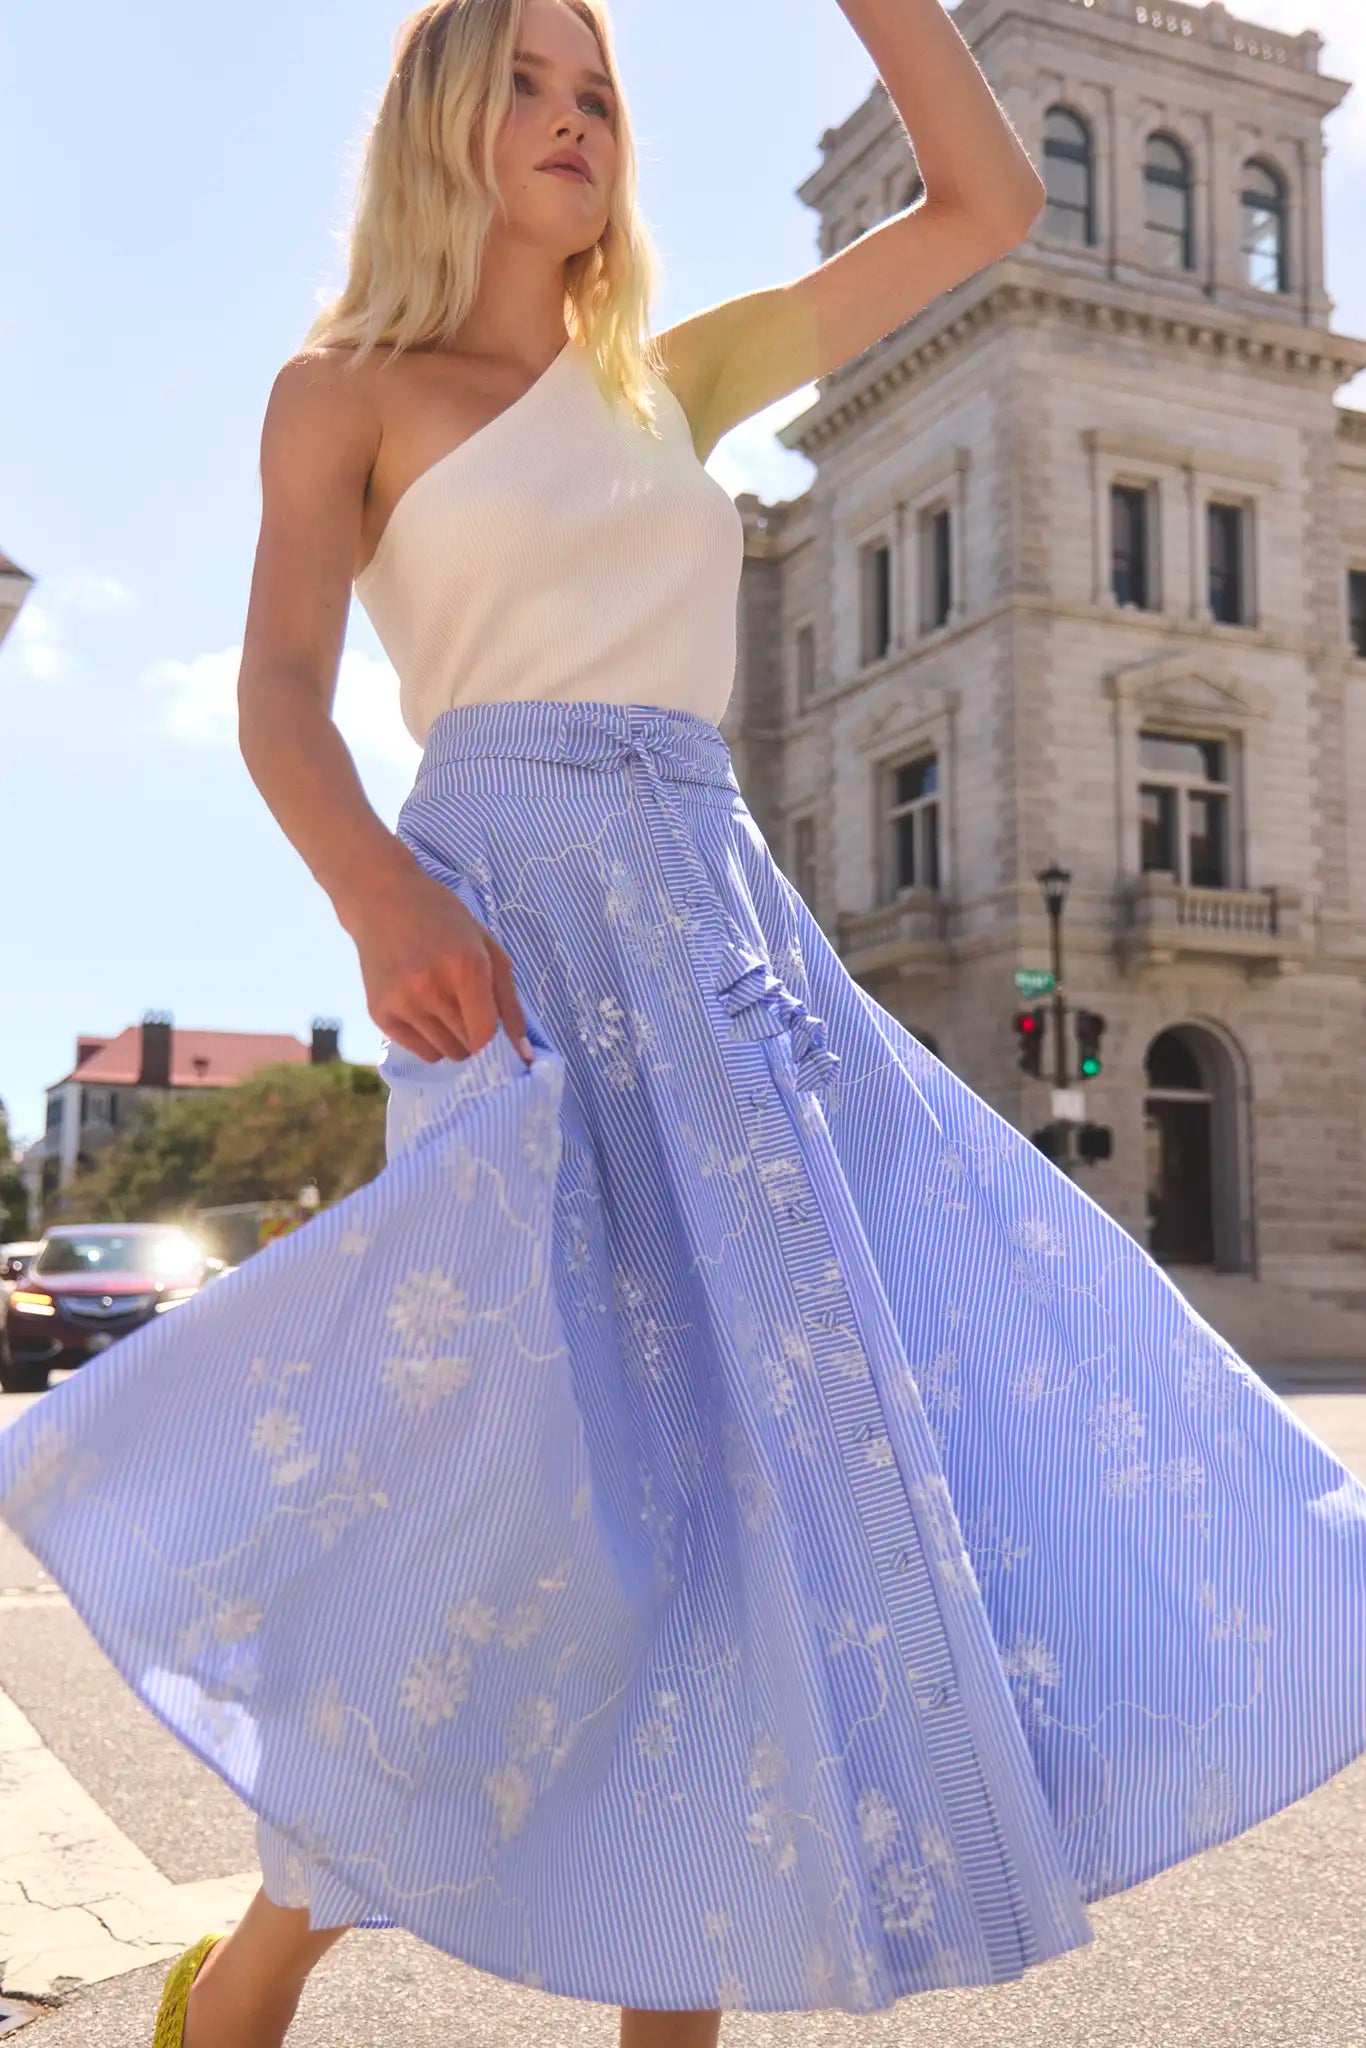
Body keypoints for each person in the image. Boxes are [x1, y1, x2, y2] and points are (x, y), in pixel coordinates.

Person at [4, 1, 1365, 2044]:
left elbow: (983, 203)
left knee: (754, 1489)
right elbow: (278, 687)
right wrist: (381, 895)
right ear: (444, 123)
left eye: (600, 92)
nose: (570, 122)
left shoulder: (678, 367)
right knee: (511, 1498)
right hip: (504, 947)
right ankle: (264, 1955)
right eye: (528, 85)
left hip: (721, 943)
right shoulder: (340, 389)